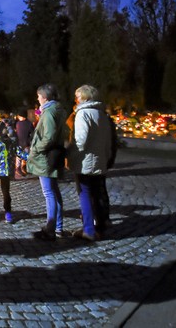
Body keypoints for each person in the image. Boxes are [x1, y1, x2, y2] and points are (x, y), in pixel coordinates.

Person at [69, 85, 114, 241]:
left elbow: (80, 141)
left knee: (85, 194)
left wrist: (70, 154)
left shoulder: (83, 114)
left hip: (85, 162)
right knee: (96, 194)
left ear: (85, 97)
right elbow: (109, 141)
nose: (75, 99)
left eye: (77, 96)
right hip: (99, 161)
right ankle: (99, 227)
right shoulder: (102, 114)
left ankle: (88, 229)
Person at [27, 83, 70, 241]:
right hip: (53, 154)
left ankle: (50, 229)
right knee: (54, 192)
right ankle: (57, 227)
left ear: (44, 97)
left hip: (46, 157)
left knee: (49, 193)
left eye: (38, 96)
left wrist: (37, 148)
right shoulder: (57, 110)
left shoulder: (49, 113)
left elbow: (49, 136)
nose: (37, 98)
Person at [14, 113, 33, 178]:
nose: (19, 117)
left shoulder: (19, 123)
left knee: (21, 156)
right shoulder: (27, 123)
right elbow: (32, 133)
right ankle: (22, 168)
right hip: (24, 143)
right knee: (24, 156)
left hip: (22, 143)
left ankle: (22, 168)